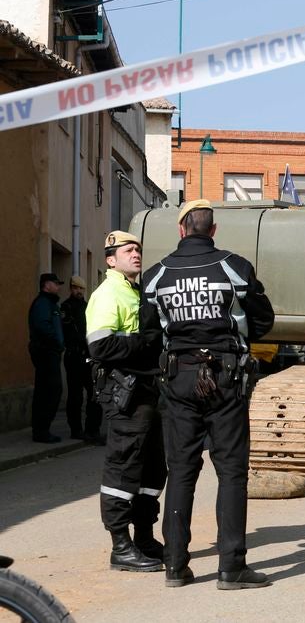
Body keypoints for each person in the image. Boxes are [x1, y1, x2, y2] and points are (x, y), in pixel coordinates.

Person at [141, 199, 275, 590]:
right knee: (231, 473)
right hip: (226, 376)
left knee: (180, 471)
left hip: (178, 378)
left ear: (182, 230)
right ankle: (231, 569)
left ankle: (174, 566)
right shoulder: (234, 267)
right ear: (212, 230)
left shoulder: (155, 275)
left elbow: (149, 333)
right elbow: (263, 321)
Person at [86, 231, 167, 572]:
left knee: (151, 468)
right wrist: (145, 343)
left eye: (138, 249)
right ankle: (120, 545)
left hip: (147, 390)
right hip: (124, 394)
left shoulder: (137, 291)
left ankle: (144, 537)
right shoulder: (108, 293)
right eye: (127, 250)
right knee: (124, 467)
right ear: (111, 259)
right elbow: (100, 347)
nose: (136, 254)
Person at [28, 272, 65, 443]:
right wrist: (56, 343)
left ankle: (42, 429)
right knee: (49, 390)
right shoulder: (43, 303)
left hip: (50, 352)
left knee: (49, 390)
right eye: (55, 283)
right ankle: (41, 431)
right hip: (45, 352)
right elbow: (42, 326)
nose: (58, 287)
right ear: (46, 285)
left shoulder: (50, 304)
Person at [62, 275, 99, 442]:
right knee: (75, 395)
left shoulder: (87, 307)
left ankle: (93, 430)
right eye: (76, 288)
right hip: (74, 355)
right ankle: (76, 430)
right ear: (71, 288)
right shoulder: (66, 307)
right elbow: (69, 333)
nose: (78, 291)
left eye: (81, 289)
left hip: (88, 356)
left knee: (94, 392)